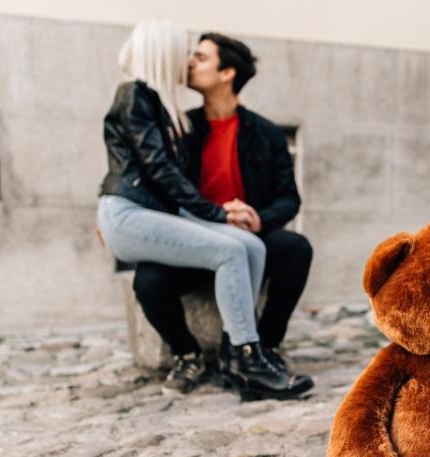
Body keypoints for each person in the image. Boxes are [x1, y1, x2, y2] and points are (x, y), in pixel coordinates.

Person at [96, 19, 295, 400]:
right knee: (230, 248)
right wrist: (219, 214)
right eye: (184, 52)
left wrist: (239, 216)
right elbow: (156, 170)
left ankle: (240, 349)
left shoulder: (160, 104)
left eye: (197, 55)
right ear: (163, 53)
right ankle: (245, 359)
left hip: (150, 210)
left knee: (251, 245)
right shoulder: (136, 95)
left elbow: (130, 161)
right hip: (131, 213)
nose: (187, 60)